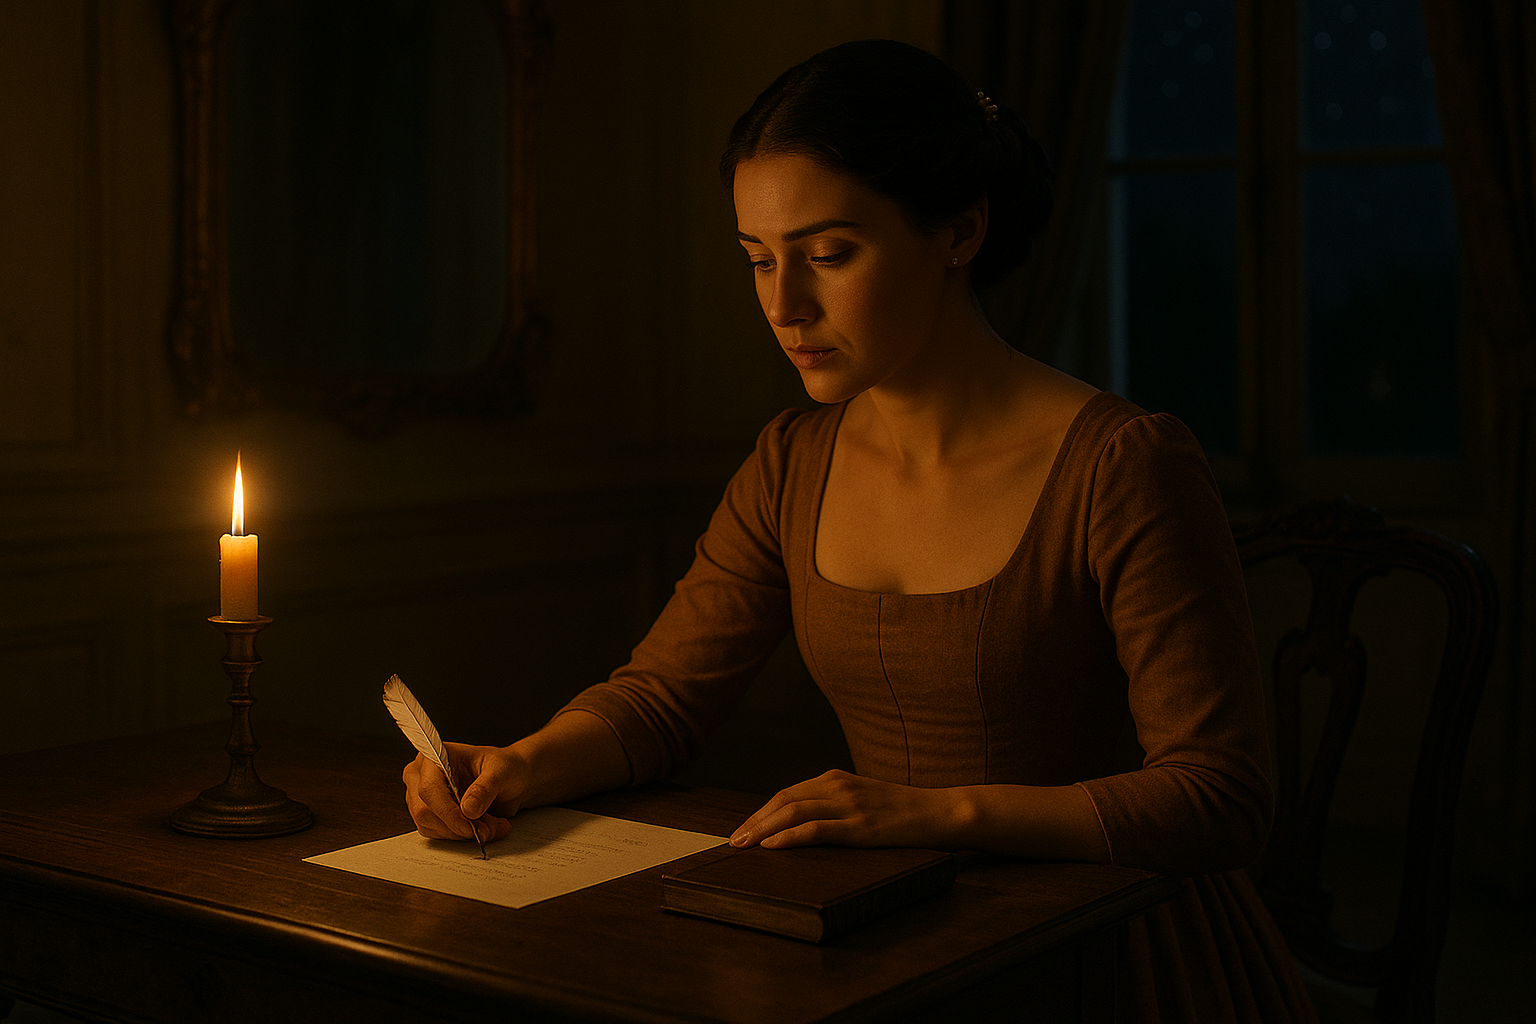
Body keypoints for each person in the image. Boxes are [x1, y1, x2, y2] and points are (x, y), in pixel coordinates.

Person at [404, 39, 1318, 1023]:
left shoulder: (1122, 463)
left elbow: (1220, 796)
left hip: (1112, 951)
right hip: (889, 936)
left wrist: (927, 814)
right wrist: (524, 763)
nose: (783, 305)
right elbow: (666, 696)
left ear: (959, 230)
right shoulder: (793, 459)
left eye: (830, 255)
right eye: (758, 259)